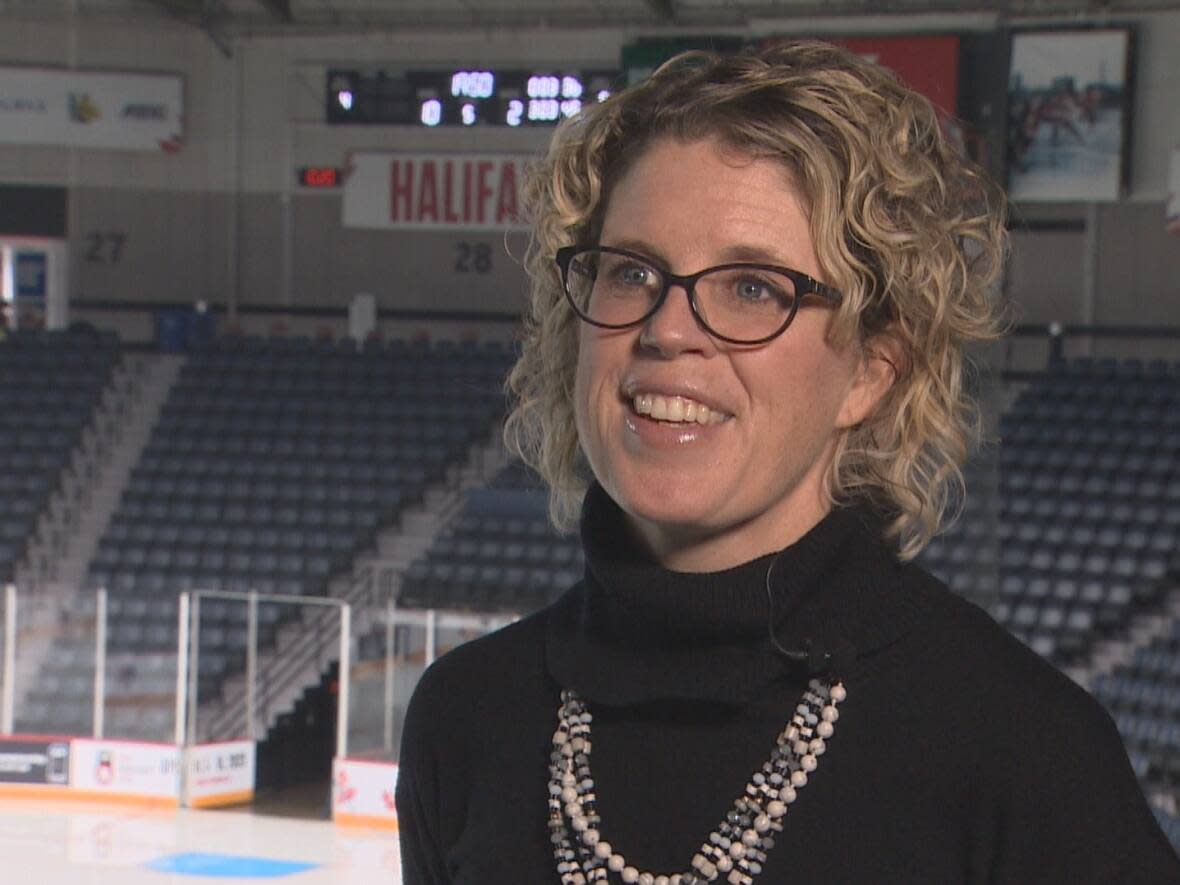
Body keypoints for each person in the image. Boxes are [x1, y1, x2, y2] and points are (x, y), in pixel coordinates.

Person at [395, 41, 1180, 883]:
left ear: (873, 372)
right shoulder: (466, 715)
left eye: (752, 287)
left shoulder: (1025, 756)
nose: (666, 328)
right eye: (632, 271)